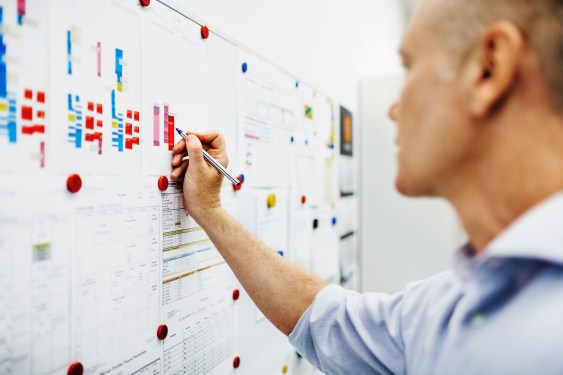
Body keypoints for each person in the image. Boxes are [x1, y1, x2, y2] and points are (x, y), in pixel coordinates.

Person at [170, 0, 563, 373]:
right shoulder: (456, 301)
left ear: (488, 68)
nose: (393, 110)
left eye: (410, 67)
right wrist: (210, 211)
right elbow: (328, 321)